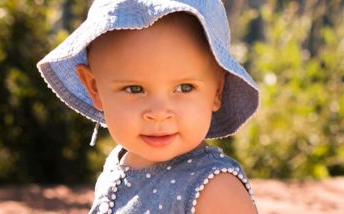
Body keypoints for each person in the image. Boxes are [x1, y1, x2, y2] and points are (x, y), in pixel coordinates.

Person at [35, 0, 261, 213]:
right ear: (95, 88)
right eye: (135, 89)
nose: (159, 114)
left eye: (184, 88)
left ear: (217, 90)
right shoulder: (118, 165)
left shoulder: (217, 189)